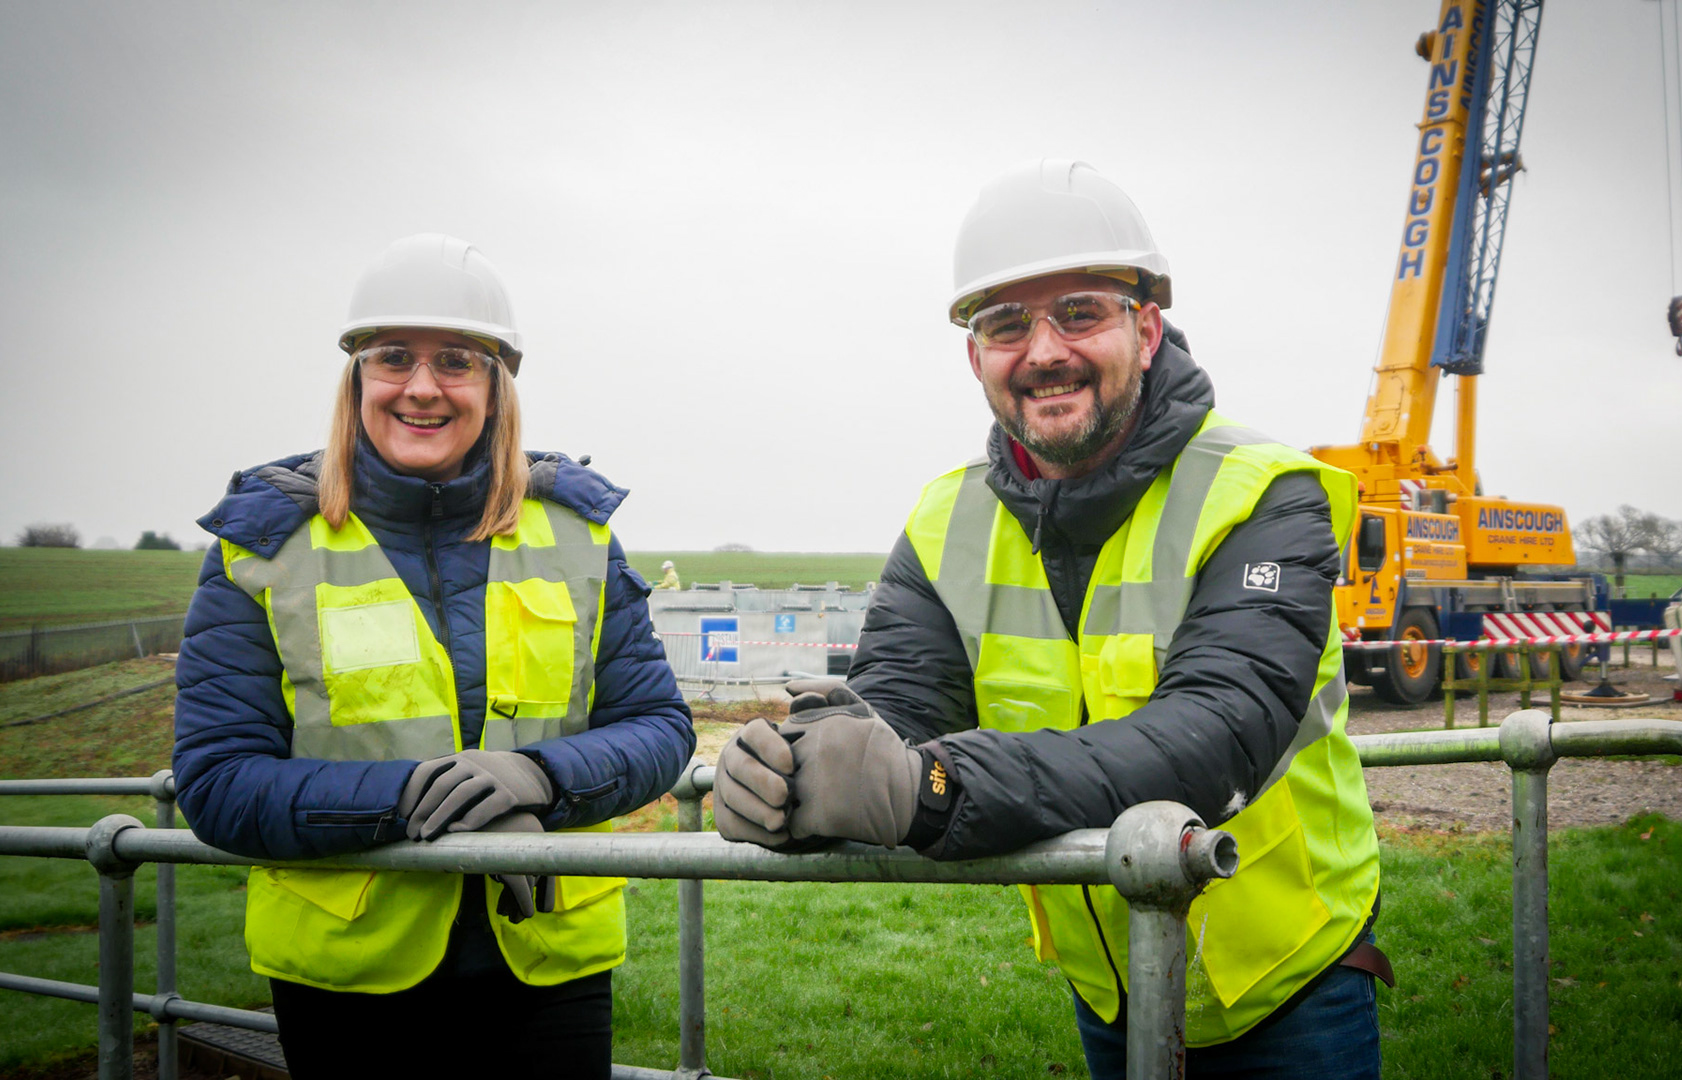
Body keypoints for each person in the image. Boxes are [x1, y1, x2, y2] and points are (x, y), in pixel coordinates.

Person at [713, 162, 1386, 1078]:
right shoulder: (947, 521)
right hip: (1109, 986)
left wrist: (937, 787)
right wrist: (797, 767)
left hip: (1294, 981)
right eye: (1005, 324)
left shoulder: (1264, 493)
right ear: (974, 355)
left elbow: (1218, 731)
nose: (1042, 352)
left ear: (1145, 330)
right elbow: (895, 709)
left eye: (1079, 313)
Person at [172, 233, 696, 1079]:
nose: (422, 386)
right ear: (357, 380)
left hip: (548, 966)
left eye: (456, 359)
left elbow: (660, 727)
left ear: (496, 385)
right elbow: (217, 779)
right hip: (347, 981)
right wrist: (414, 799)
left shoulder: (578, 536)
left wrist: (541, 781)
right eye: (392, 358)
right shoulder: (262, 549)